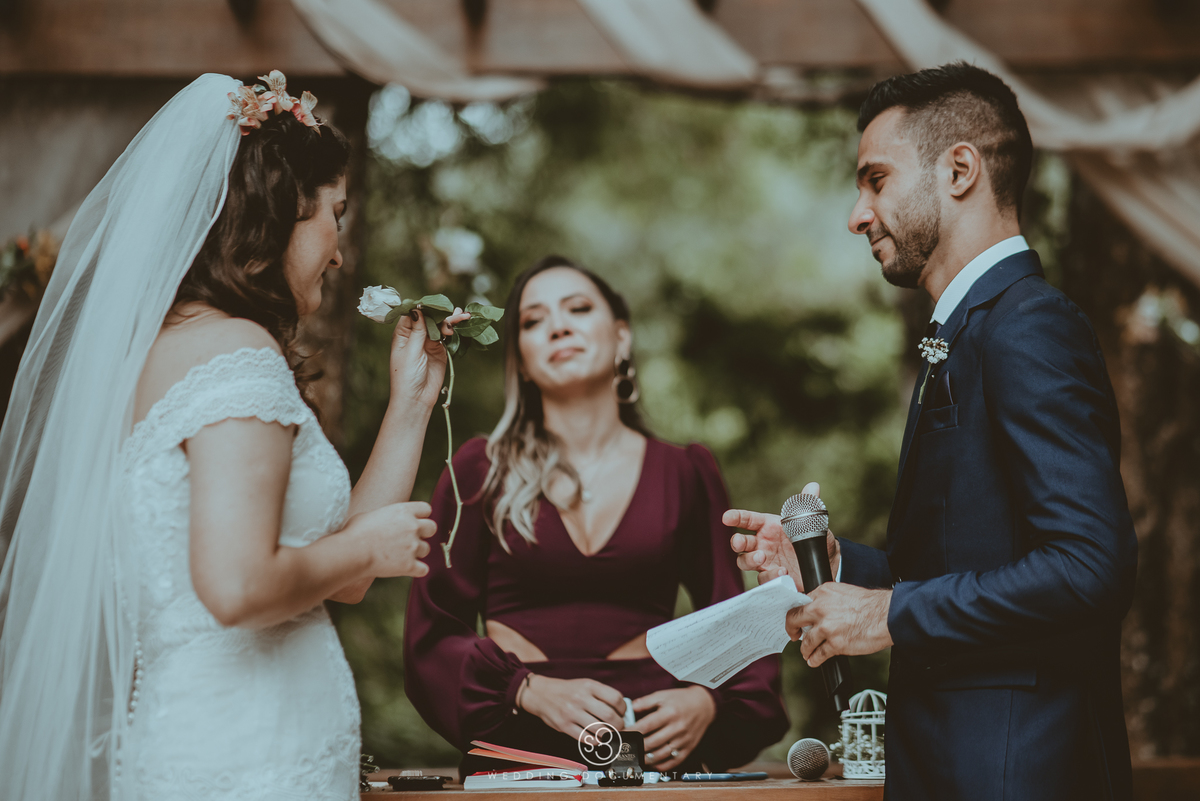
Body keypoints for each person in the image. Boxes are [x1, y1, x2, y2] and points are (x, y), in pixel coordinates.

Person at [0, 72, 467, 800]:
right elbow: (240, 585)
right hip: (248, 758)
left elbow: (340, 580)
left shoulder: (166, 350)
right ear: (281, 209)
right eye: (334, 215)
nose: (339, 251)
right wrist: (367, 545)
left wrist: (410, 403)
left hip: (227, 741)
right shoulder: (235, 353)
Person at [729, 63, 1137, 800]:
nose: (858, 213)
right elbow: (972, 555)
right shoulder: (968, 331)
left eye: (875, 179)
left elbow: (1089, 566)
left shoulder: (1029, 326)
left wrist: (886, 614)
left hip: (1016, 773)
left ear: (959, 170)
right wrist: (835, 564)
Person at [405, 256, 788, 777]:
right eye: (533, 321)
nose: (558, 326)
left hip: (653, 757)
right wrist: (528, 690)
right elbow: (432, 632)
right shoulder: (478, 469)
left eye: (579, 309)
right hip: (518, 753)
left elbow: (739, 618)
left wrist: (706, 701)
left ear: (622, 337)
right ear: (518, 357)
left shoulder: (685, 472)